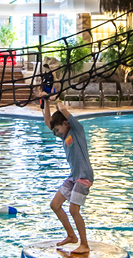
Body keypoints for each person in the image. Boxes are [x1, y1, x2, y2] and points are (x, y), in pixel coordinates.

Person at [42, 98, 93, 254]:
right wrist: (45, 101)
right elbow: (48, 122)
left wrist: (55, 99)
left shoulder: (77, 130)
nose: (56, 133)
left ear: (65, 123)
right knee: (55, 205)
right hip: (73, 176)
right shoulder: (64, 136)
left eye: (57, 129)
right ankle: (71, 235)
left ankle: (84, 243)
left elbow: (64, 111)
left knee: (73, 210)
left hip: (83, 176)